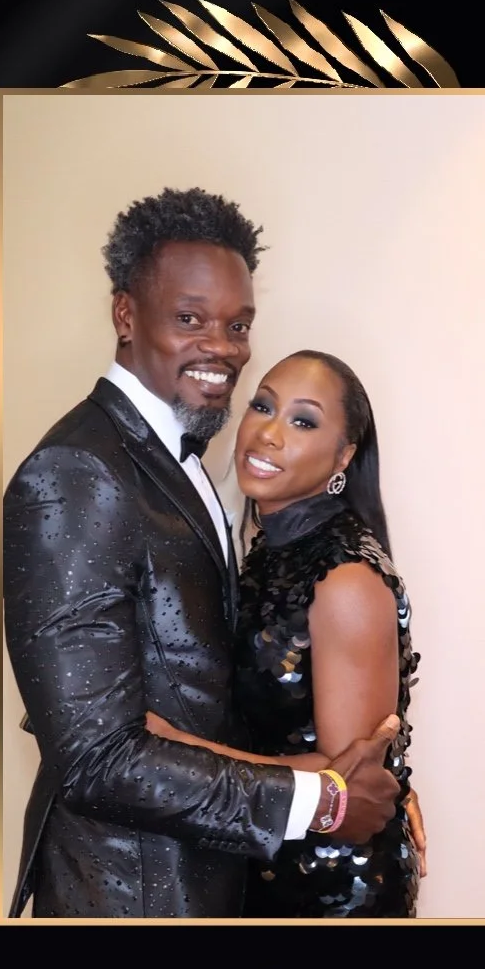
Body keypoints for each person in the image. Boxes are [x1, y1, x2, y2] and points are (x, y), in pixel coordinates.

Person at [2, 187, 401, 918]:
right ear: (126, 315)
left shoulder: (179, 462)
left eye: (238, 324)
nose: (222, 348)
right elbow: (93, 755)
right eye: (190, 319)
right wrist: (324, 797)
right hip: (134, 891)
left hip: (213, 875)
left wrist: (375, 786)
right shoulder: (78, 472)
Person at [146, 351, 420, 917]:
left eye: (303, 421)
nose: (268, 433)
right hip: (260, 853)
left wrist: (172, 747)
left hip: (329, 888)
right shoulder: (272, 549)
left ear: (344, 455)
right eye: (263, 406)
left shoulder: (344, 579)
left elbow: (350, 784)